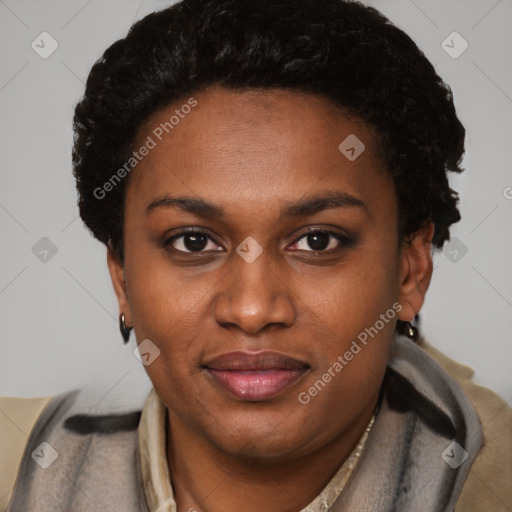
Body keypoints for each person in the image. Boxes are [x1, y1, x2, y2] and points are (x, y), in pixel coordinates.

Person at [1, 0, 511, 510]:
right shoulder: (21, 470)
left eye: (317, 240)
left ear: (410, 270)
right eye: (193, 241)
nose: (251, 309)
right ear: (122, 277)